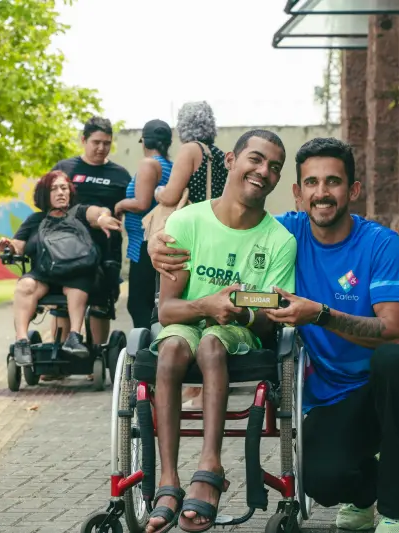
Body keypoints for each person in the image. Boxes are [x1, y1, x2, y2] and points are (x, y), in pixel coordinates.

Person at [150, 138, 399, 533]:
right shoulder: (284, 233)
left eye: (333, 182)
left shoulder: (381, 245)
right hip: (332, 399)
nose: (322, 193)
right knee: (319, 480)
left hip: (385, 387)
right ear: (298, 193)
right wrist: (155, 242)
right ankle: (364, 493)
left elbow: (395, 332)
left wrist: (319, 314)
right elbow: (233, 225)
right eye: (311, 183)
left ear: (352, 190)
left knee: (395, 361)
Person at [144, 130, 297, 533]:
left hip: (237, 335)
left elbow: (271, 313)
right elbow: (168, 310)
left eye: (275, 167)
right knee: (172, 348)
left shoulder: (279, 240)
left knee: (212, 343)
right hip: (187, 324)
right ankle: (168, 479)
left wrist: (239, 311)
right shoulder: (186, 221)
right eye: (256, 159)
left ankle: (209, 466)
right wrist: (208, 304)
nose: (264, 171)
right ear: (230, 160)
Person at [0, 170, 121, 363]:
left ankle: (74, 337)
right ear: (45, 194)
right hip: (45, 274)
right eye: (54, 189)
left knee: (76, 286)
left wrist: (102, 217)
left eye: (64, 188)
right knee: (24, 286)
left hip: (78, 273)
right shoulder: (35, 220)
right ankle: (22, 342)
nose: (61, 192)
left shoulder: (79, 212)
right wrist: (9, 246)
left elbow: (97, 213)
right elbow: (19, 245)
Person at [154, 101, 229, 409]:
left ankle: (194, 388)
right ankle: (203, 388)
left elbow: (172, 194)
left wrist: (158, 193)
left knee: (184, 303)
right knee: (211, 304)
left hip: (194, 230)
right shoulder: (220, 155)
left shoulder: (189, 151)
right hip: (219, 231)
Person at [48, 117, 132, 365]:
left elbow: (129, 209)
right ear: (83, 140)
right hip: (65, 250)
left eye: (107, 143)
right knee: (62, 303)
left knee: (101, 303)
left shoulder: (120, 175)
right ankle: (59, 360)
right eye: (96, 142)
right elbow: (47, 203)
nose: (101, 148)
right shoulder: (65, 169)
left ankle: (95, 358)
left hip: (106, 251)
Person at [114, 119, 173, 329]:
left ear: (144, 142)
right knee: (154, 303)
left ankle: (146, 354)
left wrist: (120, 204)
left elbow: (141, 203)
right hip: (159, 242)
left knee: (138, 304)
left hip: (144, 243)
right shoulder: (170, 166)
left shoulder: (149, 164)